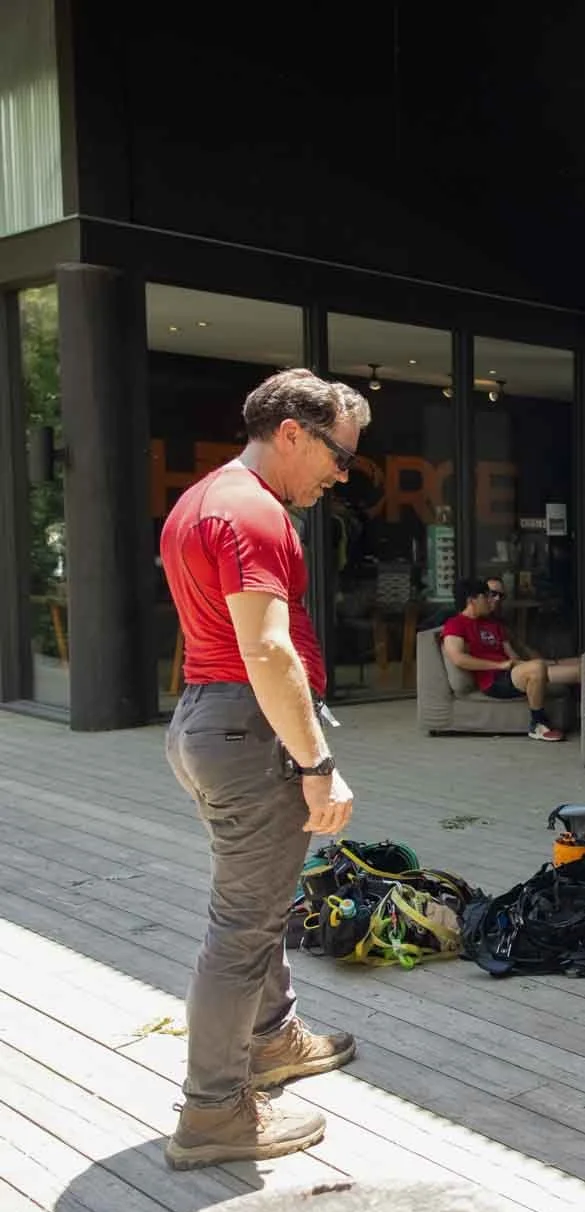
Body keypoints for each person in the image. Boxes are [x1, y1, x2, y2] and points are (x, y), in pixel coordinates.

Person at [158, 369, 365, 1169]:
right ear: (292, 433)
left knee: (258, 902)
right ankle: (212, 1110)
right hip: (249, 729)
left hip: (210, 718)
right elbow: (267, 648)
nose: (339, 476)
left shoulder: (202, 497)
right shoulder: (254, 511)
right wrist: (317, 762)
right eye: (337, 458)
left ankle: (272, 1040)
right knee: (240, 930)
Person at [441, 577, 581, 741]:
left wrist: (520, 663)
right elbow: (458, 659)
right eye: (486, 596)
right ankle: (537, 724)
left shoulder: (492, 624)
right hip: (493, 680)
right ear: (472, 600)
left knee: (581, 671)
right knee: (537, 668)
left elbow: (510, 654)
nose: (490, 600)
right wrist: (499, 665)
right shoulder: (455, 624)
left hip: (513, 672)